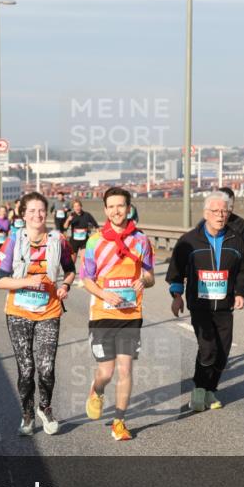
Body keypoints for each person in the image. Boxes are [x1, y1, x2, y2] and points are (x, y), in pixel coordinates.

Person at [0, 192, 76, 436]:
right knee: (27, 368)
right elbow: (1, 281)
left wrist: (65, 286)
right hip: (18, 311)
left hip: (49, 311)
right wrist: (26, 281)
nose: (37, 215)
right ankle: (28, 415)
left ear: (47, 213)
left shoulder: (58, 239)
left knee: (47, 367)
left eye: (41, 210)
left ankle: (45, 407)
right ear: (23, 214)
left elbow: (70, 270)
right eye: (31, 210)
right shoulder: (13, 241)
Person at [79, 187, 155, 441]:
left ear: (129, 207)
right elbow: (86, 280)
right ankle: (96, 391)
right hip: (102, 314)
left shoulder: (141, 240)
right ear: (105, 210)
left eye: (120, 205)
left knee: (125, 370)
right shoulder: (95, 241)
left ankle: (119, 421)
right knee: (106, 373)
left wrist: (144, 281)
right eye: (111, 206)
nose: (116, 211)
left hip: (130, 314)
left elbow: (150, 275)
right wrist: (103, 294)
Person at [167, 191, 244, 411]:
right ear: (206, 214)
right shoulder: (189, 240)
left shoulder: (236, 239)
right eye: (215, 211)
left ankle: (211, 390)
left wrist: (241, 292)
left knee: (222, 352)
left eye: (224, 211)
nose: (220, 215)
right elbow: (176, 271)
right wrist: (177, 296)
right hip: (200, 304)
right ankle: (198, 389)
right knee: (208, 349)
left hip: (225, 305)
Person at [63, 199, 98, 285]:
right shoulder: (71, 215)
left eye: (78, 206)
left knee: (84, 260)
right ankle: (68, 278)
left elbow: (96, 225)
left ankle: (82, 279)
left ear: (81, 206)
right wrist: (68, 220)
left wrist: (98, 235)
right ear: (73, 208)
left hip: (84, 241)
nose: (77, 208)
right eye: (75, 206)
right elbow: (65, 227)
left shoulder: (87, 215)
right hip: (74, 242)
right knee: (72, 261)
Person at [218, 186, 244, 260]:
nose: (229, 209)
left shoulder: (240, 224)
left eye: (231, 206)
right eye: (226, 206)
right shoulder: (207, 223)